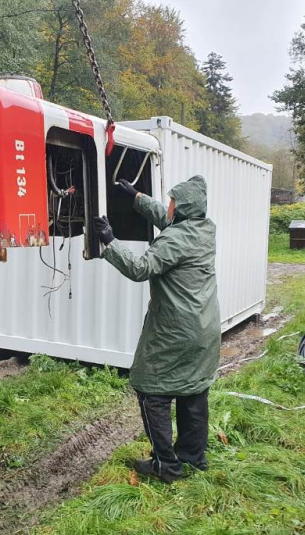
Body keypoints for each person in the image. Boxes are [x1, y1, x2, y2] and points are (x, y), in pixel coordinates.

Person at [93, 175, 220, 484]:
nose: (169, 205)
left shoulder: (174, 240)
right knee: (193, 390)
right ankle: (192, 457)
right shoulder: (204, 228)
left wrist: (110, 241)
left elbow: (140, 269)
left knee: (151, 389)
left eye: (173, 201)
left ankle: (166, 465)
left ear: (184, 207)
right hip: (204, 328)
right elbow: (169, 219)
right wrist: (137, 197)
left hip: (176, 330)